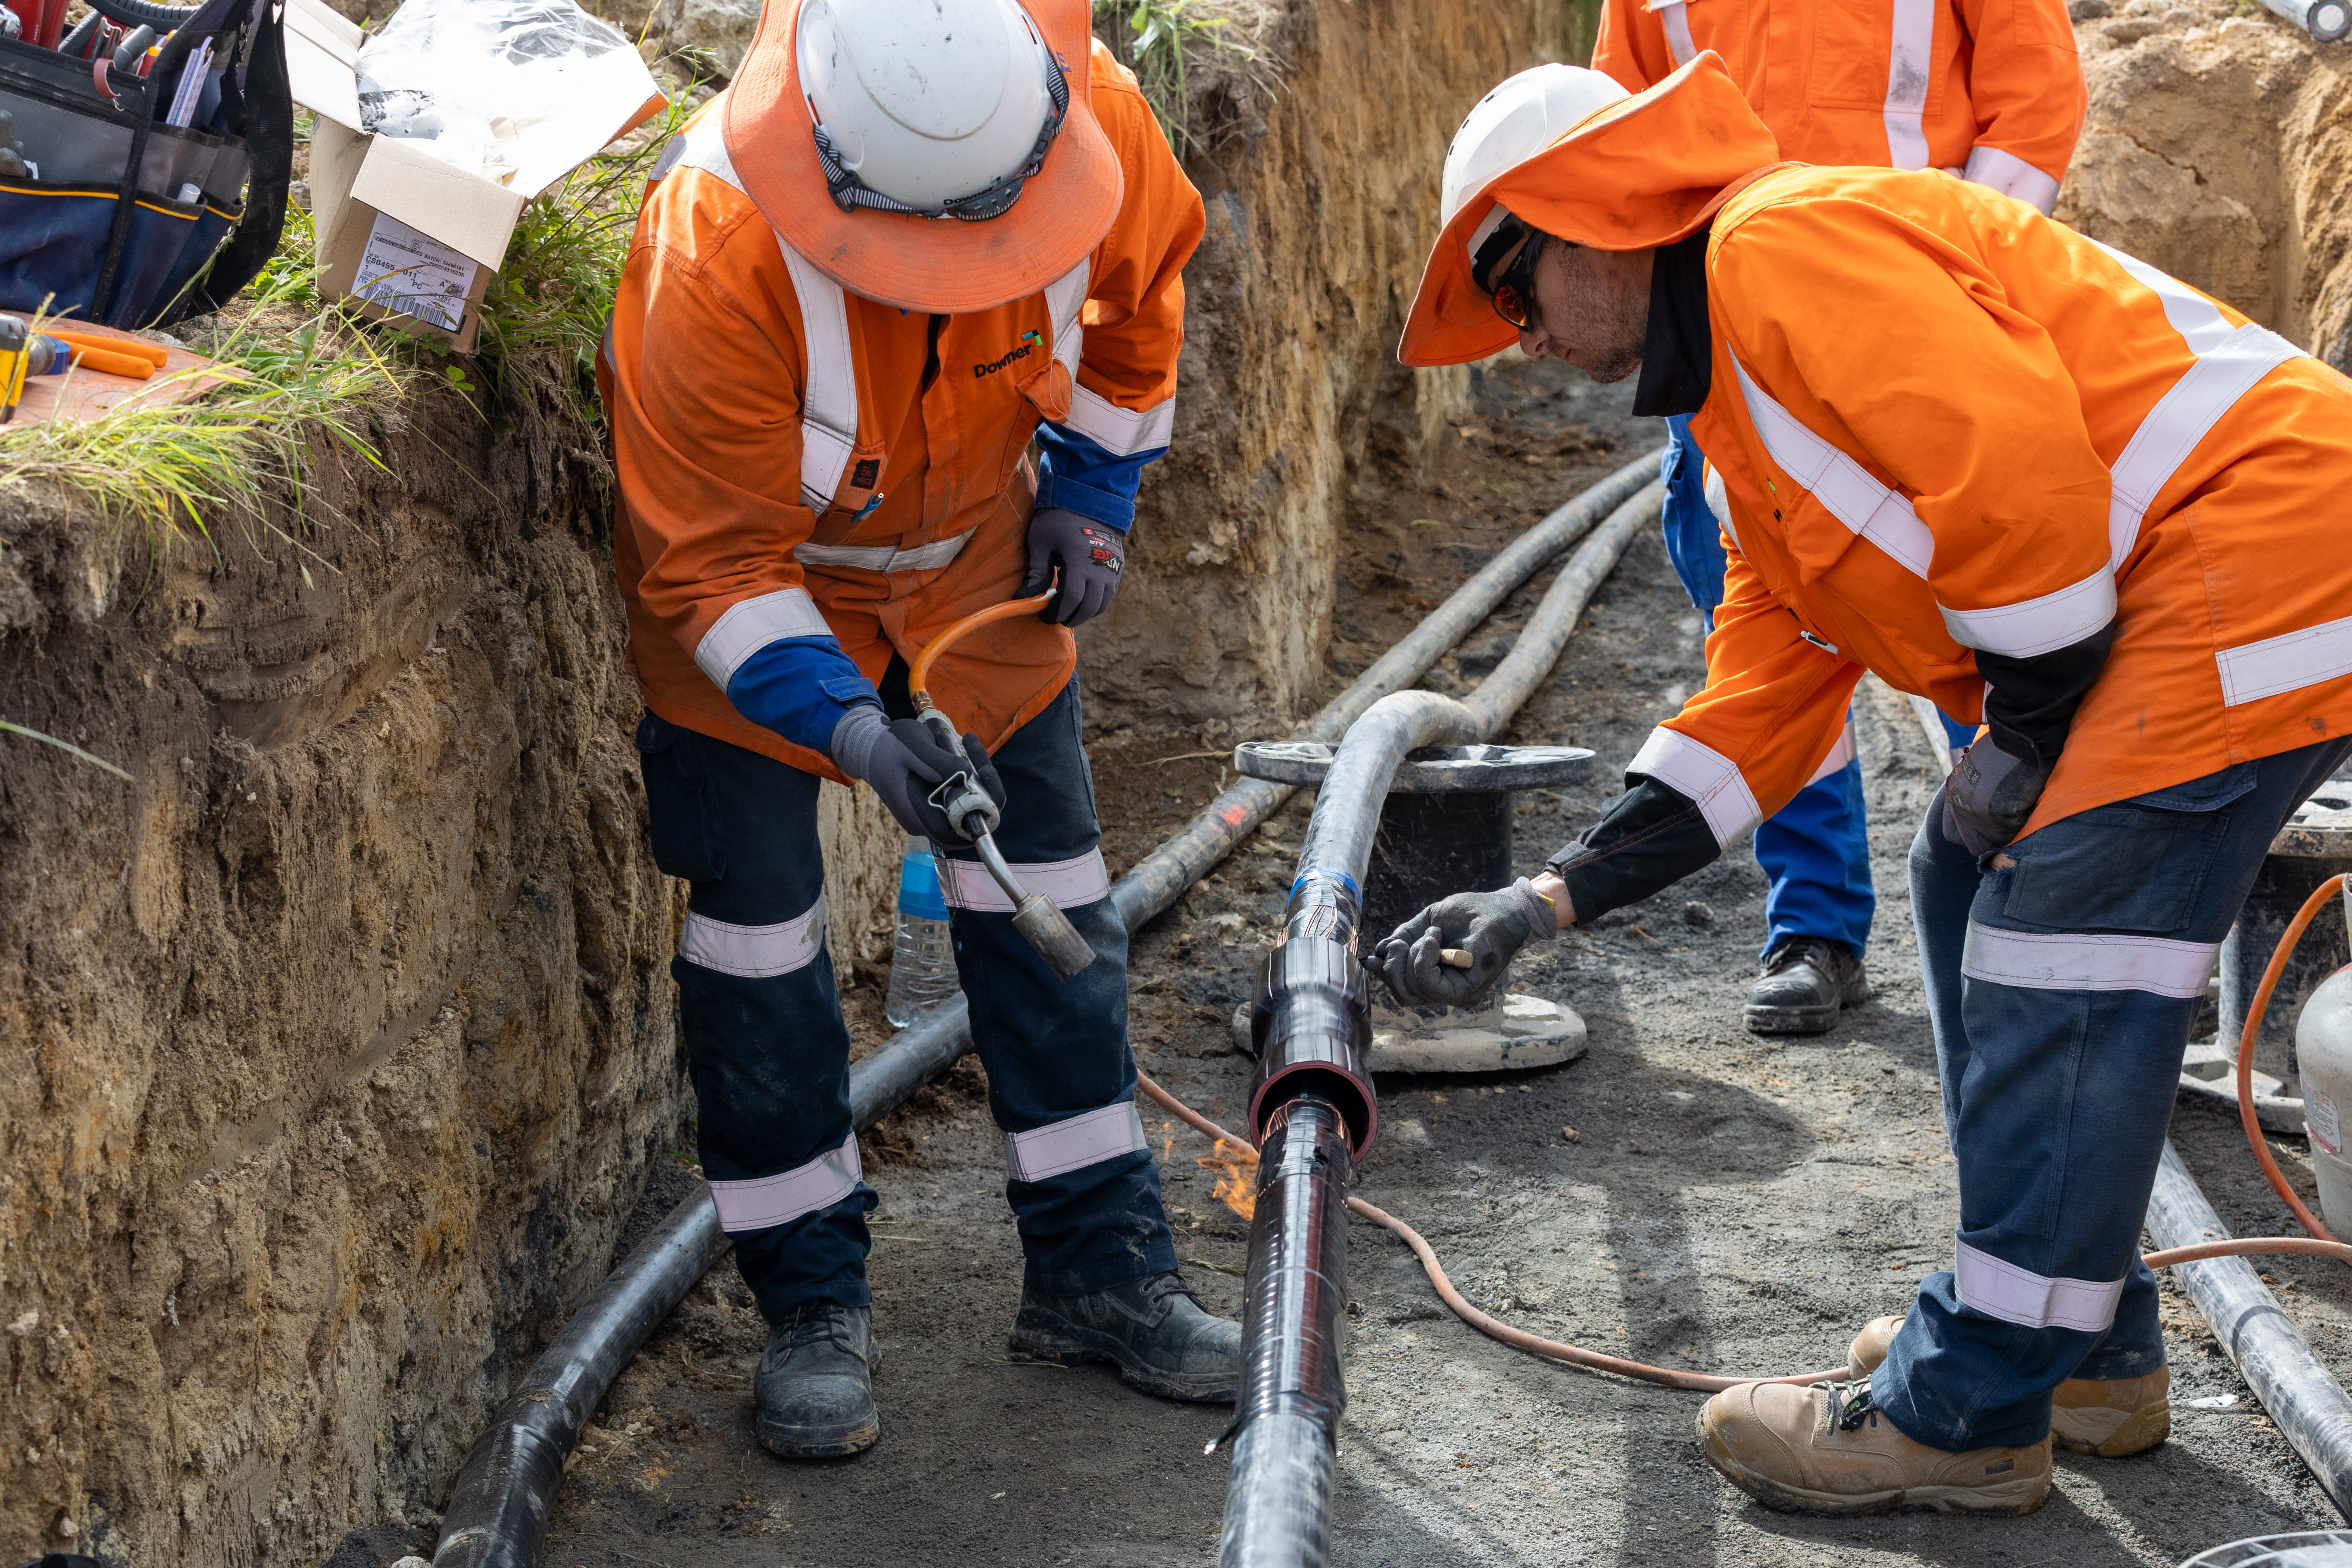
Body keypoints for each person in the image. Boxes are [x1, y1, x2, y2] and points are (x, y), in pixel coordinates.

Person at [1382, 58, 2352, 1515]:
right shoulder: (1737, 426)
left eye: (1515, 295)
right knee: (1957, 874)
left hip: (2256, 562)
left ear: (1582, 221)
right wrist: (1546, 895)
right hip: (2199, 587)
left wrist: (2023, 729)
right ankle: (2080, 1348)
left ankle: (1970, 1405)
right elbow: (1761, 700)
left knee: (2053, 923)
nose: (1522, 342)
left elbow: (2008, 458)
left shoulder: (1777, 247)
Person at [597, 0, 1235, 1460]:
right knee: (758, 942)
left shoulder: (1093, 122)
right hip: (768, 604)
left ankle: (1097, 1266)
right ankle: (809, 1302)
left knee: (1054, 897)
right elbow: (712, 567)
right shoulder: (714, 242)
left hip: (974, 575)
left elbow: (1140, 310)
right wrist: (861, 738)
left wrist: (1095, 489)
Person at [1589, 0, 2084, 1034]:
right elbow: (1622, 135)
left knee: (1977, 596)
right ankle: (1814, 924)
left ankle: (2022, 894)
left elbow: (2035, 97)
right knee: (1772, 631)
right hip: (1724, 327)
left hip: (1909, 325)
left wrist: (1957, 277)